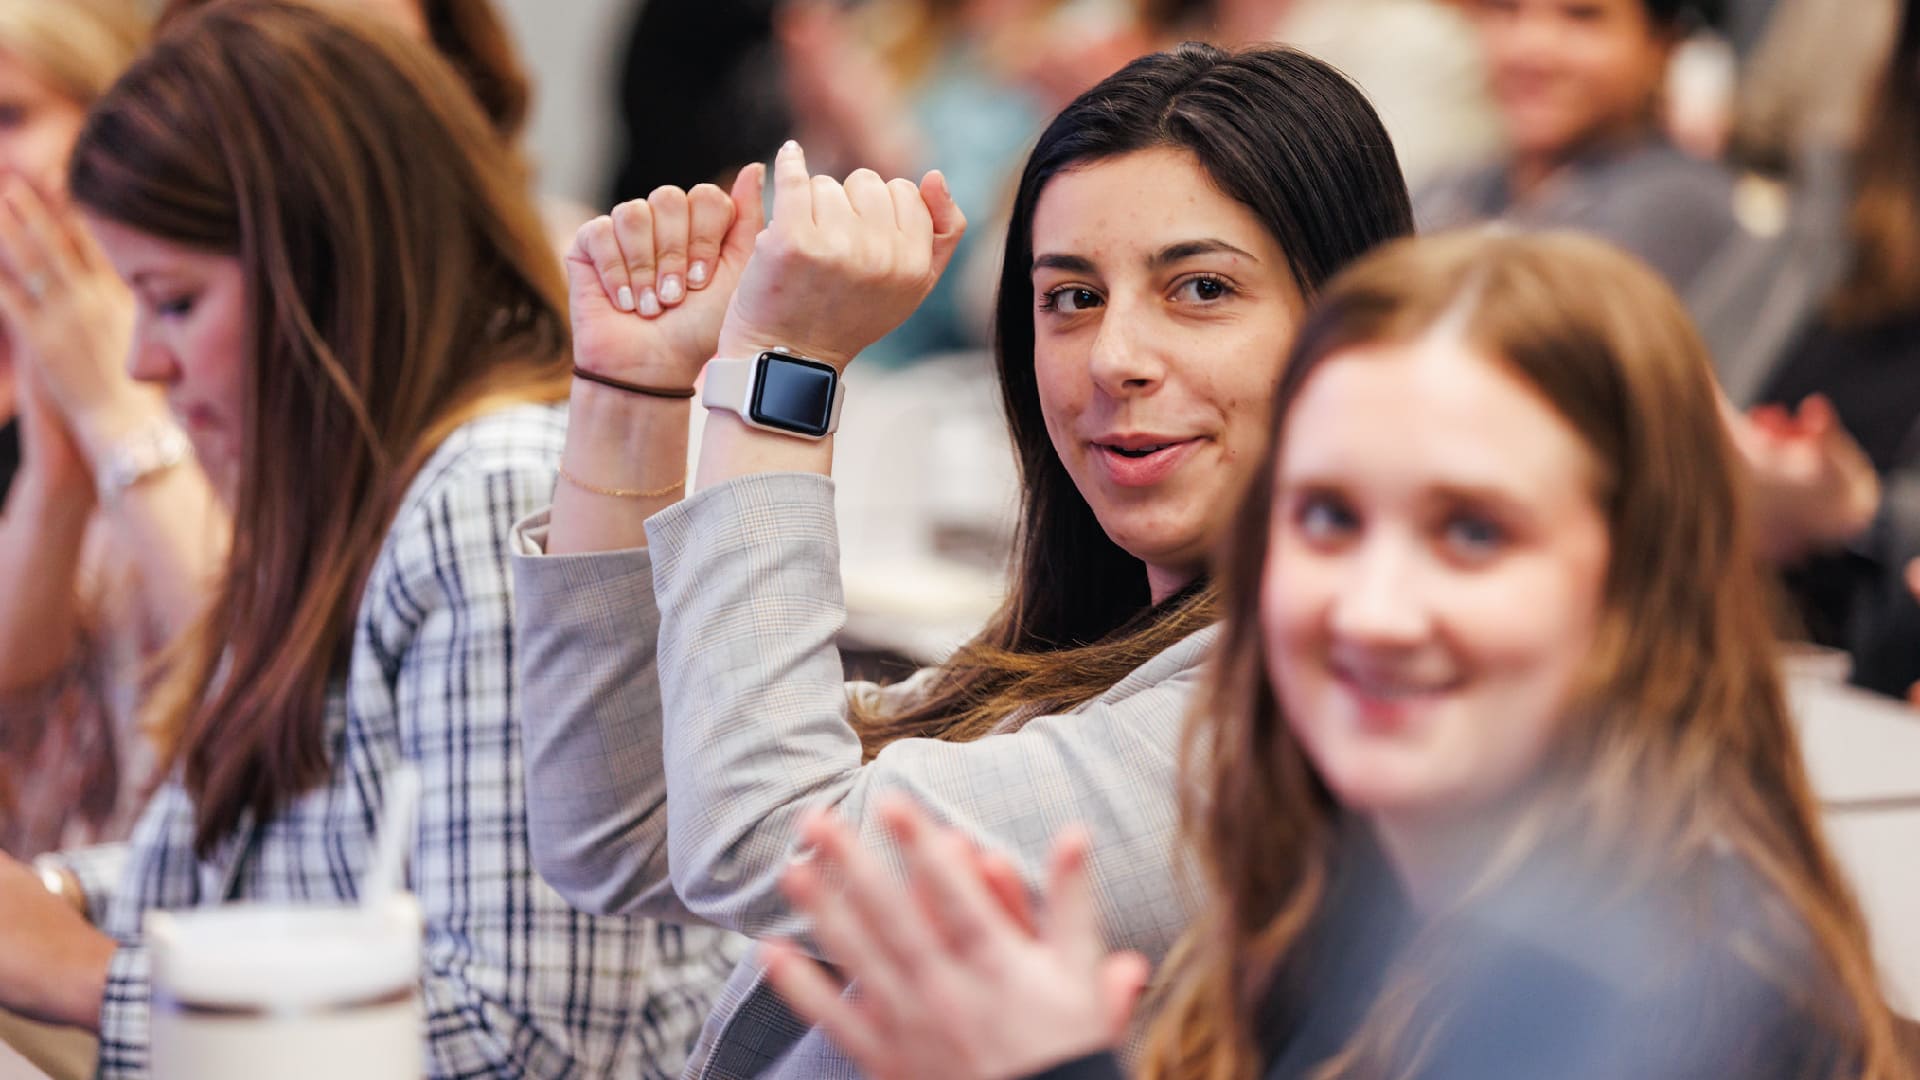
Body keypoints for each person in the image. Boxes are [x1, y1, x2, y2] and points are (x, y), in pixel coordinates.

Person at [757, 230, 1919, 1080]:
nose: (1372, 609)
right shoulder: (1338, 896)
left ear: (1636, 576)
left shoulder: (1668, 983)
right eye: (1327, 518)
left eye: (1473, 532)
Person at [514, 42, 1413, 1078]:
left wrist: (782, 374)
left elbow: (763, 842)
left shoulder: (1285, 724)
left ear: (1349, 329)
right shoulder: (1091, 659)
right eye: (1071, 297)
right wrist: (636, 391)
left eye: (1201, 288)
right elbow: (624, 834)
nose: (1115, 358)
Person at [0, 5, 735, 1077]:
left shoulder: (490, 496)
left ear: (322, 277)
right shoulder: (345, 483)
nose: (145, 366)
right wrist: (58, 897)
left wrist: (78, 971)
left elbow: (527, 1039)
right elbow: (287, 873)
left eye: (173, 303)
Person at [0, 0, 177, 861]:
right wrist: (54, 479)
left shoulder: (184, 342)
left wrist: (111, 414)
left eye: (10, 116)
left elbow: (234, 654)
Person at [1417, 0, 1739, 297]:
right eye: (1507, 9)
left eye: (1580, 16)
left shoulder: (1674, 205)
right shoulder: (1451, 187)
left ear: (1662, 45)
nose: (1531, 48)